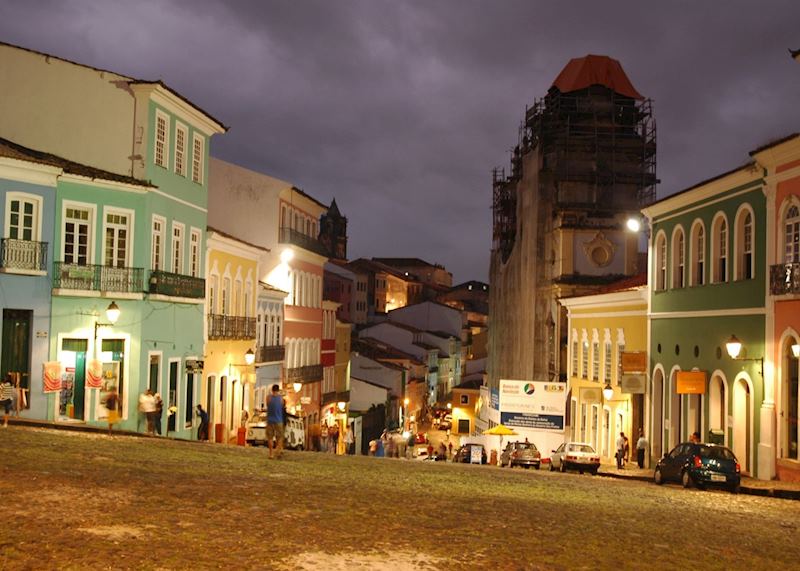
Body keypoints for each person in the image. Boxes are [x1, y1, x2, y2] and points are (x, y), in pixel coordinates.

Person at [266, 384, 285, 459]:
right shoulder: (281, 398)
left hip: (270, 420)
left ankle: (271, 454)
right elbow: (282, 406)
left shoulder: (268, 398)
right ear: (278, 390)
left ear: (272, 390)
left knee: (270, 438)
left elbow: (268, 405)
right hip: (279, 420)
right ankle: (278, 451)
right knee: (280, 437)